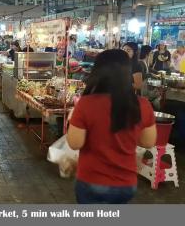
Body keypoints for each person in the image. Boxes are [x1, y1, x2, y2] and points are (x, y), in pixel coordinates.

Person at [67, 49, 156, 204]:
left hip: (91, 180)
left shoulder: (86, 104)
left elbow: (75, 143)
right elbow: (148, 142)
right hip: (126, 183)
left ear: (97, 72)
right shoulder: (142, 105)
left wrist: (72, 119)